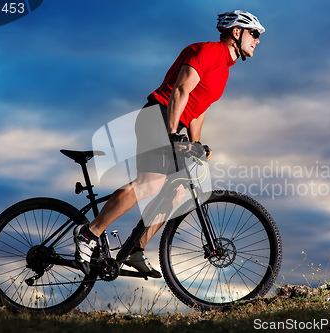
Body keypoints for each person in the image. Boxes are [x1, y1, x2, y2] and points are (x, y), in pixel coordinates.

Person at [74, 10, 265, 277]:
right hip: (158, 116)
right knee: (150, 183)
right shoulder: (209, 52)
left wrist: (196, 145)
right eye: (254, 34)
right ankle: (88, 233)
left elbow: (198, 109)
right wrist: (174, 133)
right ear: (237, 32)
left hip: (174, 123)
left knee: (176, 192)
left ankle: (133, 249)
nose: (257, 40)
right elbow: (181, 90)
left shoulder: (224, 69)